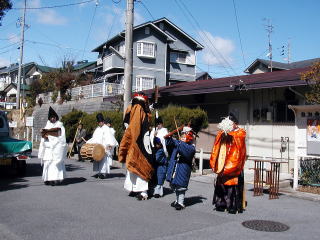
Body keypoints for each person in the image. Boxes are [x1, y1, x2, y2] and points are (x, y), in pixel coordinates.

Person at [118, 92, 153, 200]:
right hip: (137, 140)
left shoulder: (137, 107)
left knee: (140, 164)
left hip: (140, 140)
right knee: (133, 166)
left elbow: (133, 126)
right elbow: (129, 124)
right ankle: (134, 188)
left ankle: (143, 191)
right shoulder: (138, 107)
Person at [209, 114, 247, 214]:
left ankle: (233, 206)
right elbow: (216, 146)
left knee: (232, 187)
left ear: (235, 123)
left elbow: (240, 148)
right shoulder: (222, 133)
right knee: (221, 185)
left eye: (231, 123)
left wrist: (229, 134)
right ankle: (221, 204)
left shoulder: (240, 133)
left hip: (234, 165)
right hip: (222, 163)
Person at [165, 126, 196, 210]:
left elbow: (185, 150)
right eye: (181, 137)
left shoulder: (191, 148)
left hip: (183, 169)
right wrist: (169, 138)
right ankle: (177, 200)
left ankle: (181, 202)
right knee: (175, 185)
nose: (182, 138)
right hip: (175, 168)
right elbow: (170, 145)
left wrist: (178, 143)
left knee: (181, 187)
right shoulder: (179, 144)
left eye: (184, 137)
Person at [38, 107, 67, 186]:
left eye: (54, 117)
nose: (53, 119)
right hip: (48, 149)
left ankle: (55, 179)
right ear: (49, 118)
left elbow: (62, 139)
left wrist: (50, 137)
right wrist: (45, 137)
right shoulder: (47, 126)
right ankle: (47, 179)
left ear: (56, 117)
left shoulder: (60, 126)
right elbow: (43, 138)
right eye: (51, 117)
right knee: (47, 164)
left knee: (55, 165)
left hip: (56, 149)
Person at [87, 113, 117, 179]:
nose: (100, 123)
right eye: (99, 122)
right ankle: (99, 172)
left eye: (101, 122)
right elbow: (94, 138)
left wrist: (109, 145)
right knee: (98, 160)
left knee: (103, 161)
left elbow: (109, 137)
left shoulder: (106, 128)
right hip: (97, 148)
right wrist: (89, 143)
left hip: (104, 148)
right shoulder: (97, 129)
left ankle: (103, 173)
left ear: (103, 121)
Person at [150, 117, 169, 198]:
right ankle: (153, 190)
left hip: (161, 152)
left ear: (162, 124)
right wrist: (153, 136)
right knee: (154, 173)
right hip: (154, 151)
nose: (158, 125)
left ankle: (158, 192)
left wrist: (157, 138)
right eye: (157, 124)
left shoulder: (165, 130)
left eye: (159, 123)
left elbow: (164, 141)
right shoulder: (153, 130)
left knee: (160, 173)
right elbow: (150, 140)